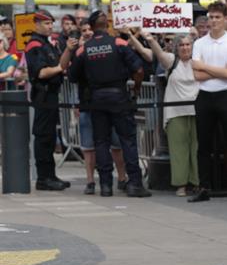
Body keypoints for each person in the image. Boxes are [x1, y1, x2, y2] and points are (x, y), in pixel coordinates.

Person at [67, 11, 150, 198]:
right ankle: (135, 184)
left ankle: (105, 186)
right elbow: (138, 69)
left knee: (101, 142)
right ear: (106, 25)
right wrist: (136, 87)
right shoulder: (119, 44)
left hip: (96, 100)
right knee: (127, 141)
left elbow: (72, 76)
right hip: (119, 97)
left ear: (92, 25)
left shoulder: (84, 49)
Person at [189, 1, 227, 203]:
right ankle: (204, 186)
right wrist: (218, 71)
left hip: (226, 94)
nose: (213, 21)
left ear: (225, 20)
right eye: (211, 17)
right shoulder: (199, 43)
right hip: (204, 96)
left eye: (217, 17)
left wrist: (205, 66)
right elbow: (196, 75)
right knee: (203, 144)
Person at [73, 21, 128, 194]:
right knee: (89, 146)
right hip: (87, 104)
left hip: (106, 102)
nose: (88, 33)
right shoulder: (81, 51)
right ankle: (91, 182)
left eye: (90, 29)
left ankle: (121, 178)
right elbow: (72, 74)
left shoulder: (109, 46)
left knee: (116, 144)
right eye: (84, 31)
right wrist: (75, 51)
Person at [143, 33, 200, 197]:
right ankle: (181, 185)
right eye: (181, 45)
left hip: (196, 111)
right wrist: (151, 39)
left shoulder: (198, 62)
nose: (185, 48)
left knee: (195, 148)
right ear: (176, 47)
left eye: (188, 44)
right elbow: (159, 54)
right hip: (175, 113)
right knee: (178, 150)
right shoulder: (171, 61)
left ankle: (196, 183)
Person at [26, 11, 77, 191]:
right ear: (37, 24)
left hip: (52, 94)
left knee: (49, 136)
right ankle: (43, 178)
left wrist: (68, 50)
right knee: (43, 137)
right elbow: (41, 72)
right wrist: (58, 68)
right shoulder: (34, 45)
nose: (50, 27)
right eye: (46, 23)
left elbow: (60, 65)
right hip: (43, 95)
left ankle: (50, 175)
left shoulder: (47, 44)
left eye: (51, 23)